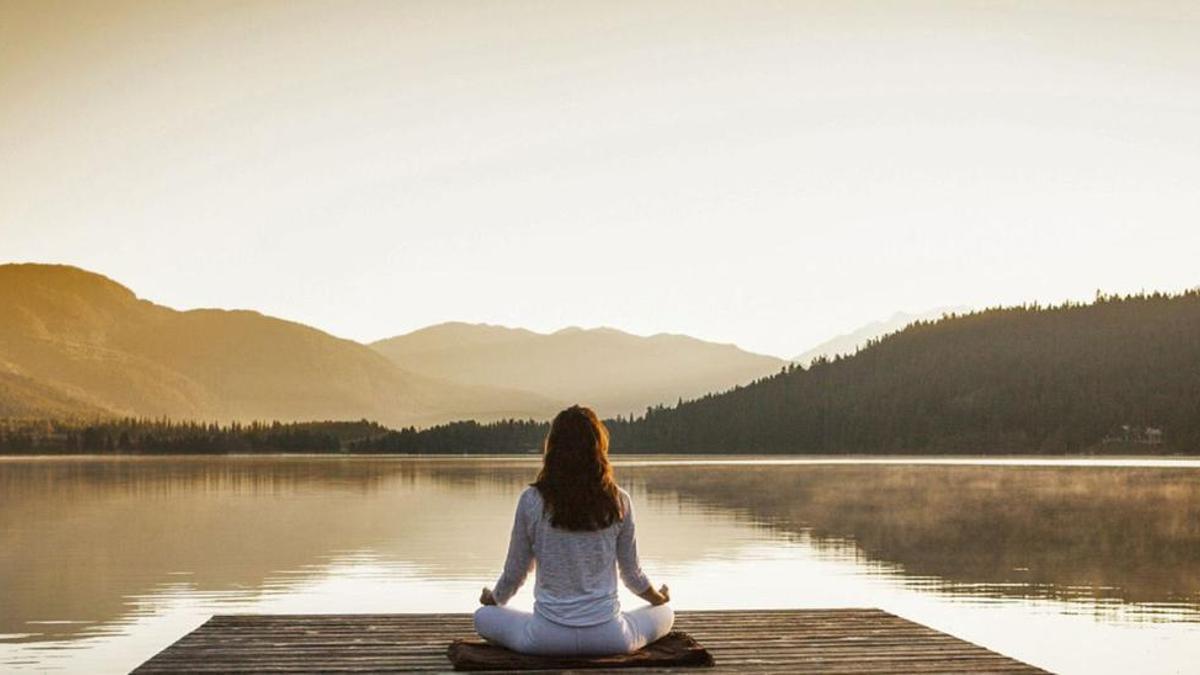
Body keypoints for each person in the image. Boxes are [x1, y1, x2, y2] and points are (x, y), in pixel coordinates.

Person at [473, 405, 674, 656]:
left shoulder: (531, 500)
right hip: (610, 639)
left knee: (483, 616)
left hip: (546, 639)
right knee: (666, 614)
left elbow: (516, 572)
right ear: (598, 449)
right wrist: (658, 599)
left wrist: (494, 600)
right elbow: (632, 574)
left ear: (553, 449)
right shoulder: (618, 501)